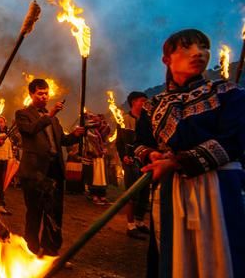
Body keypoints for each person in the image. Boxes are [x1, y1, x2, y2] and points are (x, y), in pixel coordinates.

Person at [136, 29, 245, 278]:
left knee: (218, 259)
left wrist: (176, 162)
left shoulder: (230, 94)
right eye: (186, 47)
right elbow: (140, 144)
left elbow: (233, 142)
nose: (198, 53)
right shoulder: (153, 105)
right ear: (167, 59)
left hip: (217, 189)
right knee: (174, 260)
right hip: (171, 192)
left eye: (203, 47)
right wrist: (152, 156)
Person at [15, 78, 84, 257]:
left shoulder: (53, 119)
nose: (44, 96)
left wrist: (75, 135)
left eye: (46, 93)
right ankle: (31, 250)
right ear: (31, 94)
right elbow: (30, 130)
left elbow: (62, 141)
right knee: (34, 212)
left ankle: (51, 249)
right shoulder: (23, 114)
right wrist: (50, 115)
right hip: (35, 171)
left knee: (54, 212)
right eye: (40, 93)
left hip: (54, 169)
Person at [116, 91, 150, 240]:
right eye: (142, 101)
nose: (145, 103)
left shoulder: (148, 119)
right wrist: (123, 156)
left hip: (145, 160)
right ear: (133, 102)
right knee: (132, 193)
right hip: (131, 160)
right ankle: (130, 225)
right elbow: (119, 142)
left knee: (145, 192)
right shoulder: (123, 120)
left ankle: (139, 221)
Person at [83, 113, 111, 205]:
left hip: (101, 157)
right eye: (92, 116)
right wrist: (99, 150)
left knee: (102, 177)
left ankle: (102, 195)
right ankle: (94, 195)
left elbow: (105, 138)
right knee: (94, 177)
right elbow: (92, 140)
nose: (95, 117)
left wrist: (104, 148)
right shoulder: (88, 128)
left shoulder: (99, 128)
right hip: (93, 156)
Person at [0, 115, 15, 215]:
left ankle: (1, 205)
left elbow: (9, 152)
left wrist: (10, 160)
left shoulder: (7, 136)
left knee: (2, 185)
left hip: (4, 162)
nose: (0, 123)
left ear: (5, 124)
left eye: (2, 121)